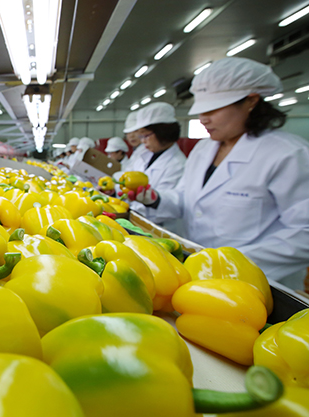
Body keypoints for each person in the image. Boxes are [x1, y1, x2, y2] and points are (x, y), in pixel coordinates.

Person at [131, 57, 309, 290]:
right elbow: (187, 199)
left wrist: (233, 263)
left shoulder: (287, 154)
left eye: (213, 109)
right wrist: (155, 199)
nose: (203, 118)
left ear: (251, 101)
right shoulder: (204, 150)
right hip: (198, 272)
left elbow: (303, 232)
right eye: (201, 110)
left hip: (259, 282)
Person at [125, 102, 187, 233]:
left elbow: (172, 206)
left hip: (158, 229)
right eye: (140, 136)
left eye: (146, 135)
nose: (142, 141)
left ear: (163, 133)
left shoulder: (178, 164)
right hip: (135, 219)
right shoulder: (143, 154)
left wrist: (153, 200)